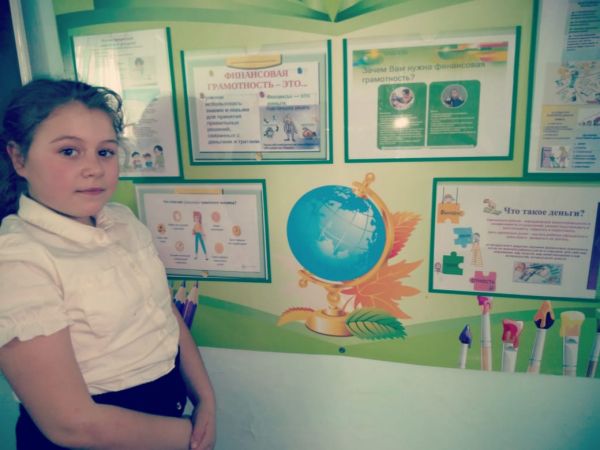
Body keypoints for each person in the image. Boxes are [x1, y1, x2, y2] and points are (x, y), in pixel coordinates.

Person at [0, 79, 216, 449]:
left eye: (105, 152)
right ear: (19, 158)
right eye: (69, 151)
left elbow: (163, 312)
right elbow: (72, 424)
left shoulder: (122, 222)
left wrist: (206, 400)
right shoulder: (18, 260)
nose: (94, 168)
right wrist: (190, 438)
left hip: (170, 415)